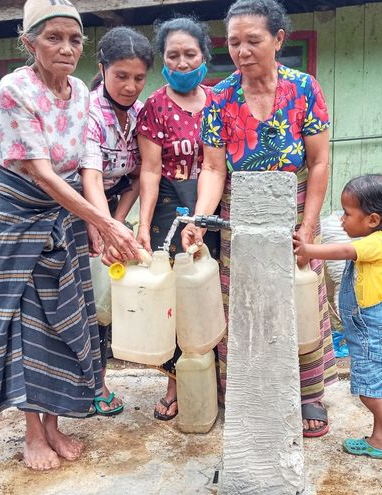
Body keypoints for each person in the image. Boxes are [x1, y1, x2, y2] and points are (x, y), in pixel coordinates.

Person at [0, 0, 140, 471]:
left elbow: (87, 166)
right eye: (54, 38)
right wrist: (107, 222)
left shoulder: (80, 93)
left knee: (67, 318)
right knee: (30, 326)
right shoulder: (15, 89)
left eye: (75, 39)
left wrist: (97, 222)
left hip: (65, 218)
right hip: (21, 222)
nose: (67, 48)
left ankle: (53, 424)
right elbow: (43, 175)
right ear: (28, 42)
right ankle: (32, 433)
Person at [181, 0, 337, 438]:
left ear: (279, 39)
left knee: (300, 301)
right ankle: (242, 392)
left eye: (254, 40)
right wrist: (200, 217)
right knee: (241, 307)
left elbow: (320, 162)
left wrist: (307, 227)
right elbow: (213, 169)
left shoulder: (304, 88)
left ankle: (308, 394)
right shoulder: (220, 97)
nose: (243, 51)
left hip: (295, 211)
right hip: (239, 216)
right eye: (234, 43)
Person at [293, 174, 382, 490]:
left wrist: (308, 248)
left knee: (371, 394)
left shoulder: (377, 243)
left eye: (347, 214)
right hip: (370, 333)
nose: (342, 219)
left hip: (374, 334)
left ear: (373, 219)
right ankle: (379, 441)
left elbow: (345, 252)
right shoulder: (373, 242)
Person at [136, 17, 220, 421]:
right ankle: (175, 382)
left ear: (204, 55)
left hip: (214, 205)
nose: (183, 62)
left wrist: (205, 215)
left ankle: (216, 380)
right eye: (173, 55)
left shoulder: (220, 101)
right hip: (170, 209)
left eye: (190, 54)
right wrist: (142, 225)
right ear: (163, 61)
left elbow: (220, 166)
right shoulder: (155, 106)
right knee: (175, 299)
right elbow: (150, 172)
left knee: (212, 294)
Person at [81, 27, 154, 365]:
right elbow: (91, 176)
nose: (130, 86)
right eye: (121, 76)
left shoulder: (142, 113)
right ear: (102, 69)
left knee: (109, 291)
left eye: (139, 78)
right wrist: (102, 225)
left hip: (112, 207)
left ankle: (101, 374)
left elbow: (140, 176)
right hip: (78, 205)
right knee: (82, 296)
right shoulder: (89, 112)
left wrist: (118, 220)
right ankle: (87, 383)